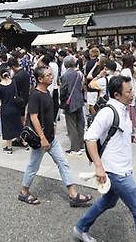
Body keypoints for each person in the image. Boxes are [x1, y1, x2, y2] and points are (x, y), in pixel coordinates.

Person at [73, 76, 136, 242]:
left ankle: (80, 228)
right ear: (117, 94)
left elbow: (115, 134)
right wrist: (98, 166)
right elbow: (90, 138)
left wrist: (130, 137)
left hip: (121, 167)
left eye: (132, 90)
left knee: (108, 202)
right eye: (128, 91)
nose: (132, 94)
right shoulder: (108, 112)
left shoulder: (123, 109)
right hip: (116, 172)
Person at [18, 66, 93, 208]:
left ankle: (73, 194)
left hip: (51, 138)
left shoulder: (47, 92)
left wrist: (52, 127)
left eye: (51, 75)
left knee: (63, 163)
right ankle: (24, 191)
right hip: (41, 140)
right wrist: (42, 138)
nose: (52, 77)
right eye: (48, 75)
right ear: (40, 79)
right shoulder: (35, 94)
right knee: (33, 166)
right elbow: (33, 117)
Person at [0, 64, 23, 154]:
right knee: (17, 125)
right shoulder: (13, 82)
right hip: (15, 107)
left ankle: (9, 147)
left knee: (7, 127)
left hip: (6, 109)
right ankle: (24, 142)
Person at [60, 55, 86, 154]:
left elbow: (63, 91)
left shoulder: (64, 76)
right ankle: (81, 144)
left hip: (70, 102)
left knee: (71, 125)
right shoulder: (78, 74)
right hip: (79, 100)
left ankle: (75, 148)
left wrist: (62, 101)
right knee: (80, 123)